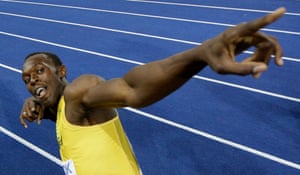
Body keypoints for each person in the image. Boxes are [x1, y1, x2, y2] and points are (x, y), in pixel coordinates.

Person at [19, 7, 286, 175]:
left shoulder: (80, 93)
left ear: (62, 71)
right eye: (27, 79)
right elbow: (69, 122)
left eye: (40, 71)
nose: (32, 80)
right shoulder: (64, 108)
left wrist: (201, 53)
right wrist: (37, 102)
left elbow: (131, 89)